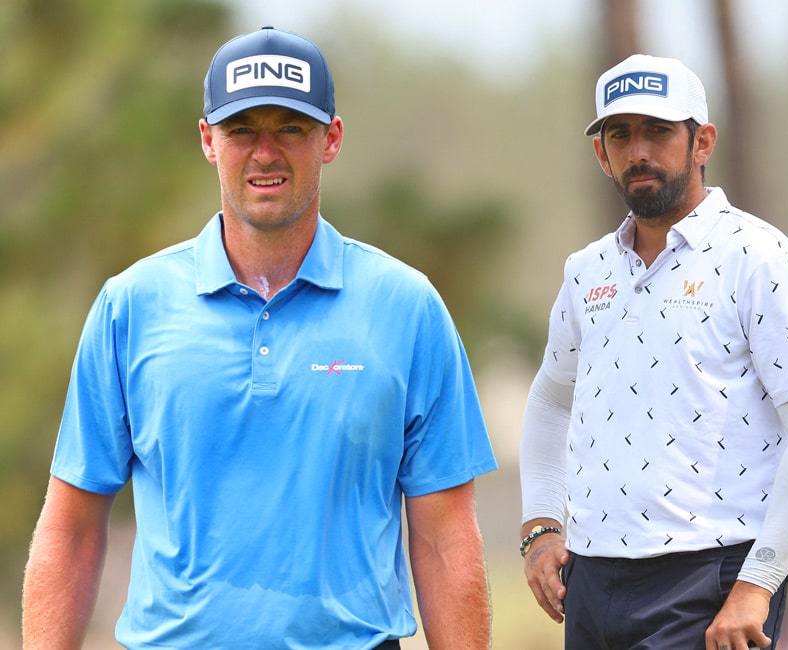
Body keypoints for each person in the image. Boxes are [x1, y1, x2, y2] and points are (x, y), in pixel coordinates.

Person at [22, 26, 497, 649]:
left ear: (331, 139)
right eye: (243, 129)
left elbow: (443, 538)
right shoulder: (129, 307)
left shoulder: (406, 308)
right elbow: (72, 529)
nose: (265, 152)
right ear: (208, 141)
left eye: (291, 129)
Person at [518, 53, 788, 650]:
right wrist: (541, 526)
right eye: (620, 135)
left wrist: (758, 584)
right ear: (602, 154)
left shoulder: (763, 259)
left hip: (712, 579)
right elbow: (549, 399)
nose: (639, 150)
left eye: (659, 131)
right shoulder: (586, 270)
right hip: (590, 581)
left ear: (703, 143)